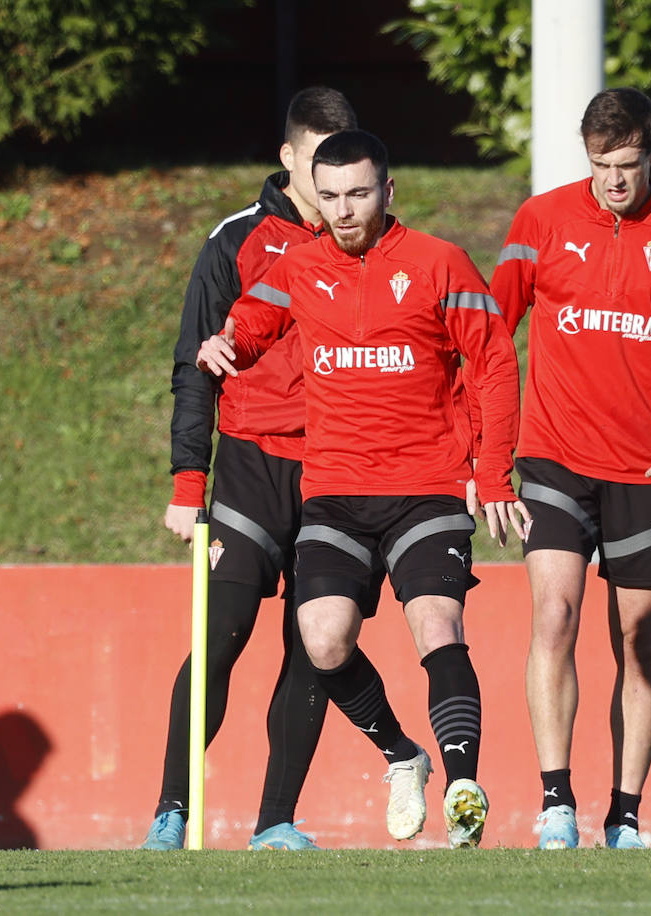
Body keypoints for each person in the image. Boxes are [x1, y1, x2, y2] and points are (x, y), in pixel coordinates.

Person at [195, 129, 529, 849]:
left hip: (426, 487)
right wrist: (231, 342)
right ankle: (402, 755)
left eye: (359, 193)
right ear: (315, 196)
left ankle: (464, 787)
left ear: (388, 192)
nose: (345, 210)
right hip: (337, 491)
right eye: (332, 196)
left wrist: (493, 470)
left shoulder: (439, 263)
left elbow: (495, 362)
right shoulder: (298, 265)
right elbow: (254, 320)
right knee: (322, 639)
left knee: (436, 624)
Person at [490, 87, 651, 850]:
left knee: (638, 641)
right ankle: (554, 804)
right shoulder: (540, 221)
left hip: (644, 473)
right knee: (554, 617)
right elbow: (493, 338)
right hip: (554, 460)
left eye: (628, 165)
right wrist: (488, 458)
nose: (613, 181)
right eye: (601, 165)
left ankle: (625, 814)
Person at [141, 87, 357, 852]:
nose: (335, 186)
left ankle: (275, 822)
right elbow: (194, 363)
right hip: (250, 470)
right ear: (289, 159)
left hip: (337, 472)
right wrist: (185, 483)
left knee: (314, 641)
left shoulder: (369, 247)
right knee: (224, 630)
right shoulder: (234, 241)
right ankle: (171, 810)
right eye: (318, 163)